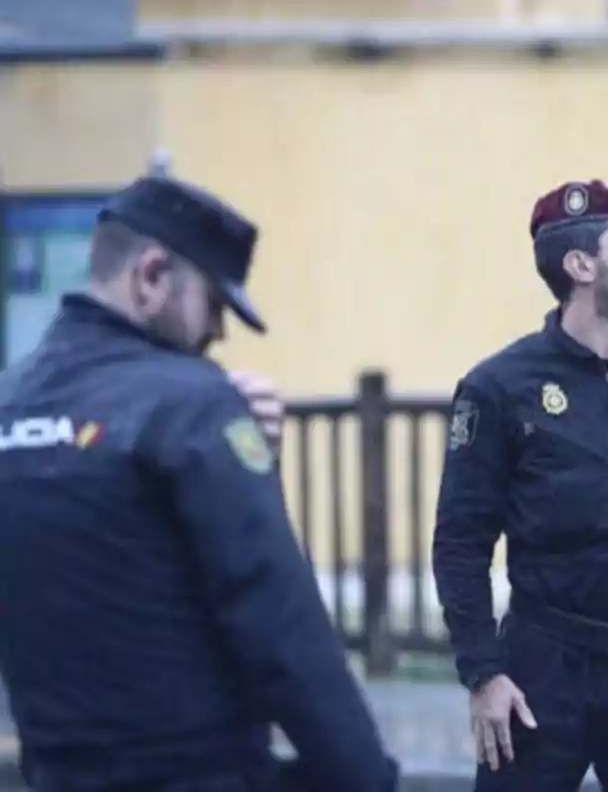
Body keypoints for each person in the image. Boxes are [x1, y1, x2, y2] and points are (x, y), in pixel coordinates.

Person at [0, 174, 400, 792]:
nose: (217, 333)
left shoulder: (10, 404)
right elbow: (279, 621)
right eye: (214, 304)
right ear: (152, 276)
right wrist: (365, 776)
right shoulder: (192, 405)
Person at [431, 179, 608, 791]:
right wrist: (483, 675)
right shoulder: (500, 387)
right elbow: (460, 541)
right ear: (581, 264)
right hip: (544, 668)